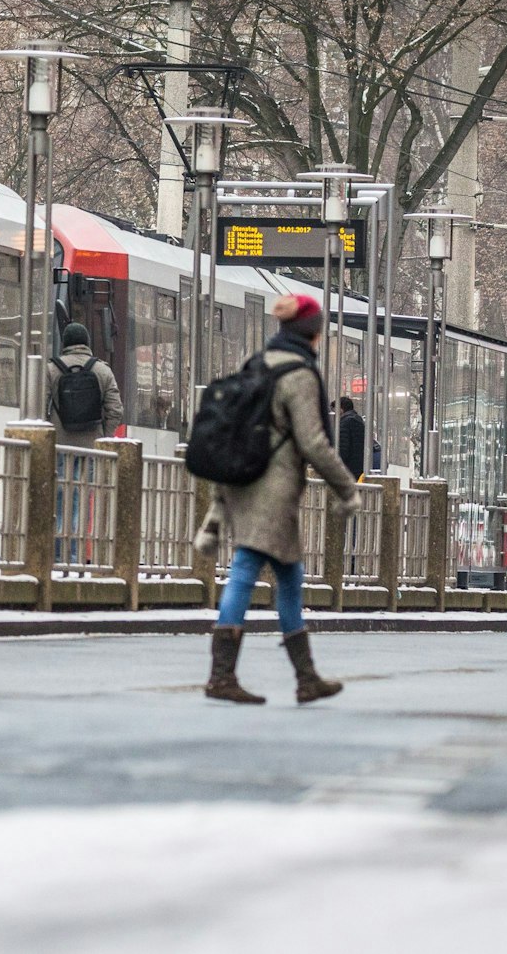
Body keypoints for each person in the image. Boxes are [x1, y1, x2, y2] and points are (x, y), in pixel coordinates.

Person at [193, 293, 362, 706]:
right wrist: (346, 487)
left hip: (241, 481)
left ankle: (306, 678)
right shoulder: (299, 374)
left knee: (289, 576)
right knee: (246, 567)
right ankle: (222, 675)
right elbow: (314, 442)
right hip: (273, 487)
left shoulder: (257, 363)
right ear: (313, 333)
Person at [45, 322, 123, 448]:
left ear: (64, 343)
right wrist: (105, 438)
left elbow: (40, 406)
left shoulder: (50, 370)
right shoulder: (103, 370)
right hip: (92, 448)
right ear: (87, 342)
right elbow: (115, 410)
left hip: (59, 446)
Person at [336, 396, 368, 481]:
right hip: (359, 467)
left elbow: (343, 449)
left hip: (349, 469)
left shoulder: (344, 423)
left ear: (341, 409)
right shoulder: (358, 420)